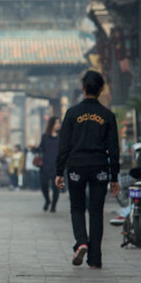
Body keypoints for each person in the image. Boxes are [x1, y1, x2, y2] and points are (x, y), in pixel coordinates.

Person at [55, 70, 120, 269]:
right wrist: (114, 176)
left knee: (77, 207)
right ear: (101, 89)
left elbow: (64, 144)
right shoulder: (107, 115)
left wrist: (59, 172)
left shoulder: (72, 113)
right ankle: (95, 258)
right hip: (99, 166)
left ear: (83, 88)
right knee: (96, 211)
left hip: (76, 166)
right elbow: (114, 148)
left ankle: (81, 241)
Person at [38, 117, 61, 212]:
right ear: (51, 124)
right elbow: (41, 148)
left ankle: (53, 206)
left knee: (56, 187)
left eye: (59, 123)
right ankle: (47, 200)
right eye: (56, 123)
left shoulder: (61, 137)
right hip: (45, 165)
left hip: (57, 165)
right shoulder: (44, 137)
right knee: (44, 186)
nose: (58, 125)